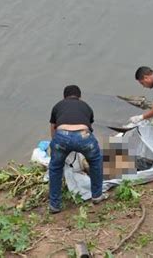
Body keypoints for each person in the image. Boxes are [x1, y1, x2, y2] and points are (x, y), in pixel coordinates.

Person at [48, 85, 107, 213]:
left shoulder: (58, 106)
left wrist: (55, 145)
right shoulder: (86, 106)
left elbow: (53, 128)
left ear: (64, 97)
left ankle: (55, 205)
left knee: (55, 168)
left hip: (62, 137)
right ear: (79, 97)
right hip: (83, 136)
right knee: (96, 161)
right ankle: (97, 195)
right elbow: (89, 127)